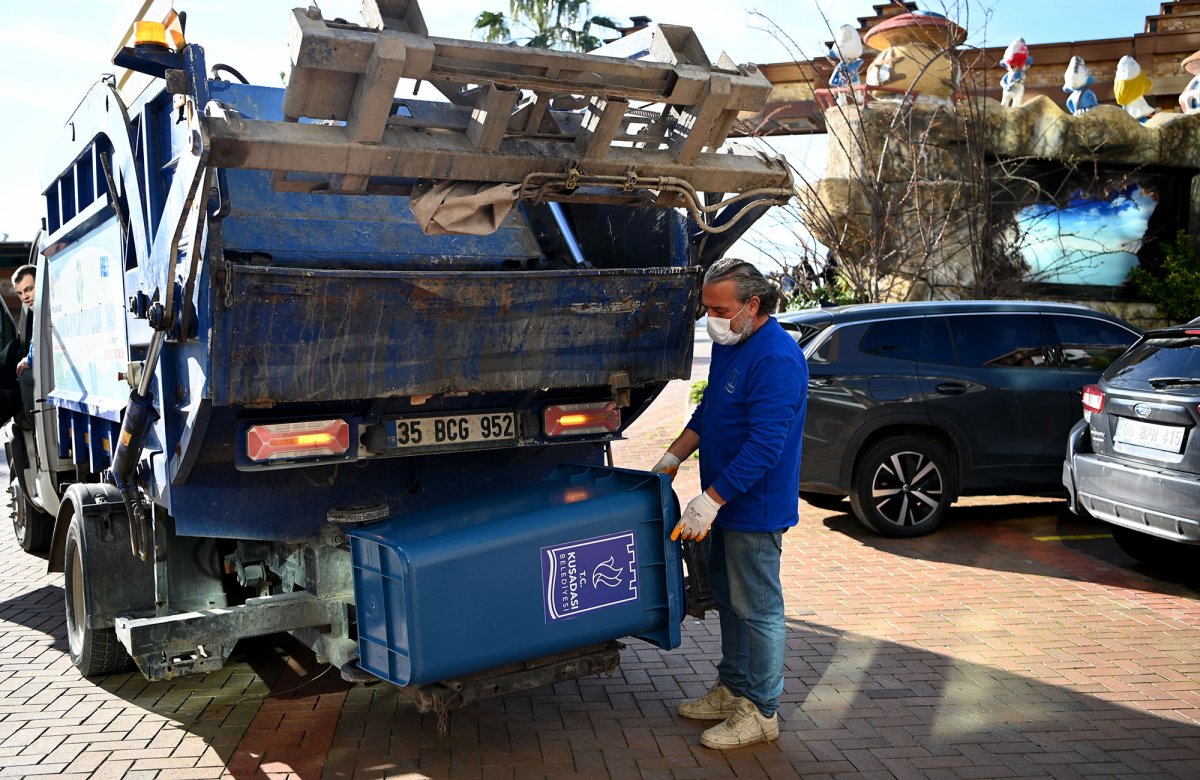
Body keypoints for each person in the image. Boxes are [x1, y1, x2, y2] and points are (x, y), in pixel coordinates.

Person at [652, 258, 808, 750]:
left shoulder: (776, 359)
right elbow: (710, 410)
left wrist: (711, 501)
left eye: (719, 308)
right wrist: (672, 457)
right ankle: (732, 689)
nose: (710, 318)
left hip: (751, 507)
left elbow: (766, 445)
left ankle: (761, 709)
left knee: (757, 608)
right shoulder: (733, 344)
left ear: (752, 305)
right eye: (707, 307)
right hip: (721, 502)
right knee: (729, 599)